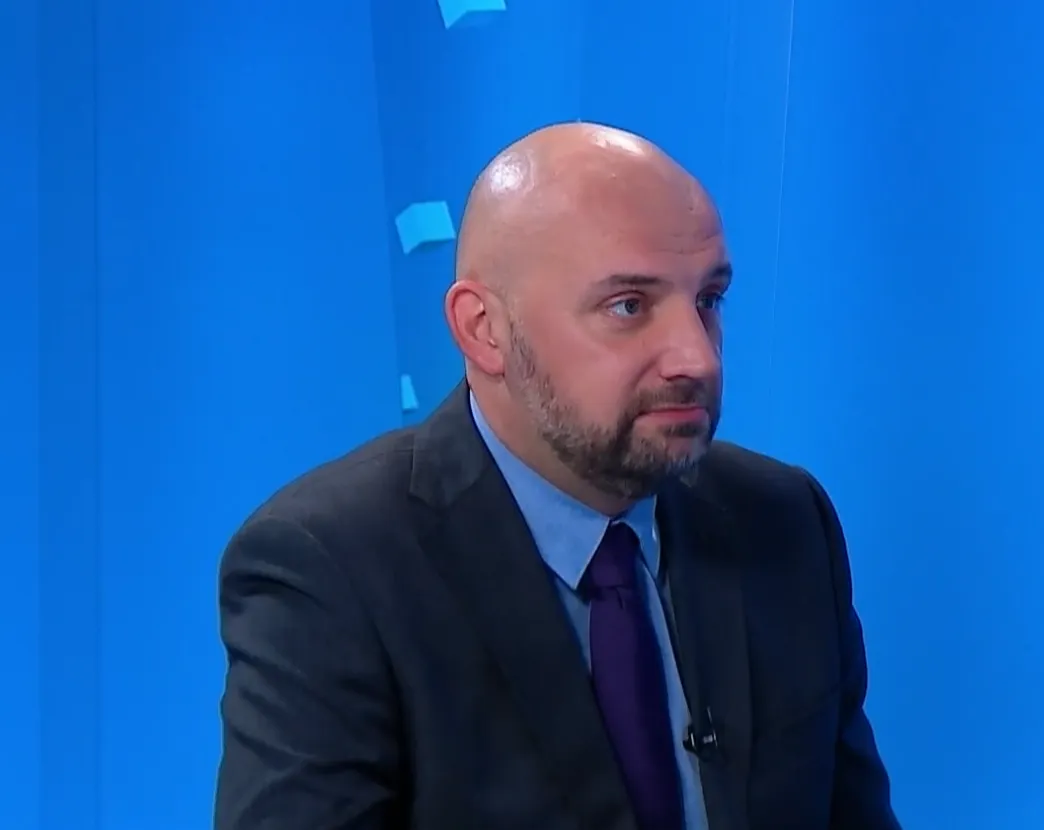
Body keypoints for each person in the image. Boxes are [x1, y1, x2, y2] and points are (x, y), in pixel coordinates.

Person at [214, 122, 901, 830]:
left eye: (708, 300)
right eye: (628, 306)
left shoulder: (783, 520)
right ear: (483, 329)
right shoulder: (331, 568)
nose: (696, 357)